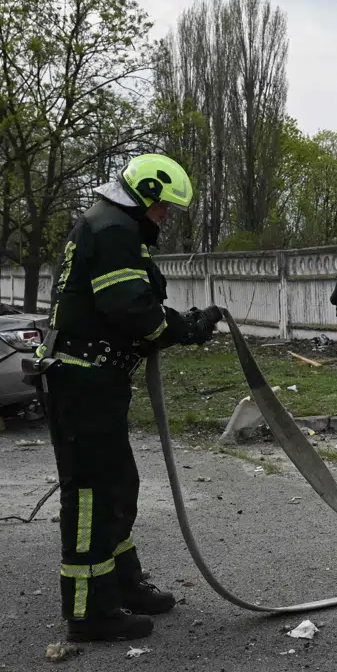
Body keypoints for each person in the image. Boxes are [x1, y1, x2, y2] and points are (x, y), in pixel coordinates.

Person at [38, 153, 219, 643]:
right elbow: (133, 312)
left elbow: (120, 309)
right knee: (94, 495)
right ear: (145, 195)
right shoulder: (114, 230)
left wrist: (180, 324)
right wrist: (188, 328)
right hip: (84, 381)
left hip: (93, 378)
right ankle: (88, 612)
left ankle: (122, 586)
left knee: (118, 485)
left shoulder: (108, 225)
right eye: (163, 208)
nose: (165, 217)